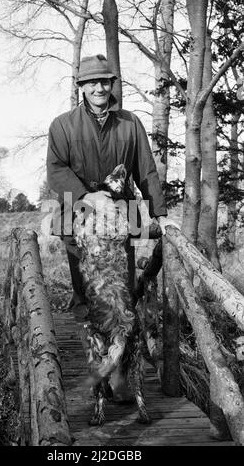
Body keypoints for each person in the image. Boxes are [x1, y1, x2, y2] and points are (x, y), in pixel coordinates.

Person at [46, 54, 177, 400]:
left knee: (120, 298)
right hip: (79, 223)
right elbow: (56, 171)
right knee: (86, 298)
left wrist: (159, 216)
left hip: (121, 225)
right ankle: (97, 372)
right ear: (81, 87)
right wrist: (88, 197)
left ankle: (118, 375)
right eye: (92, 82)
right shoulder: (62, 125)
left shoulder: (130, 124)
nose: (99, 87)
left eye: (105, 81)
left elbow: (146, 171)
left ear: (111, 85)